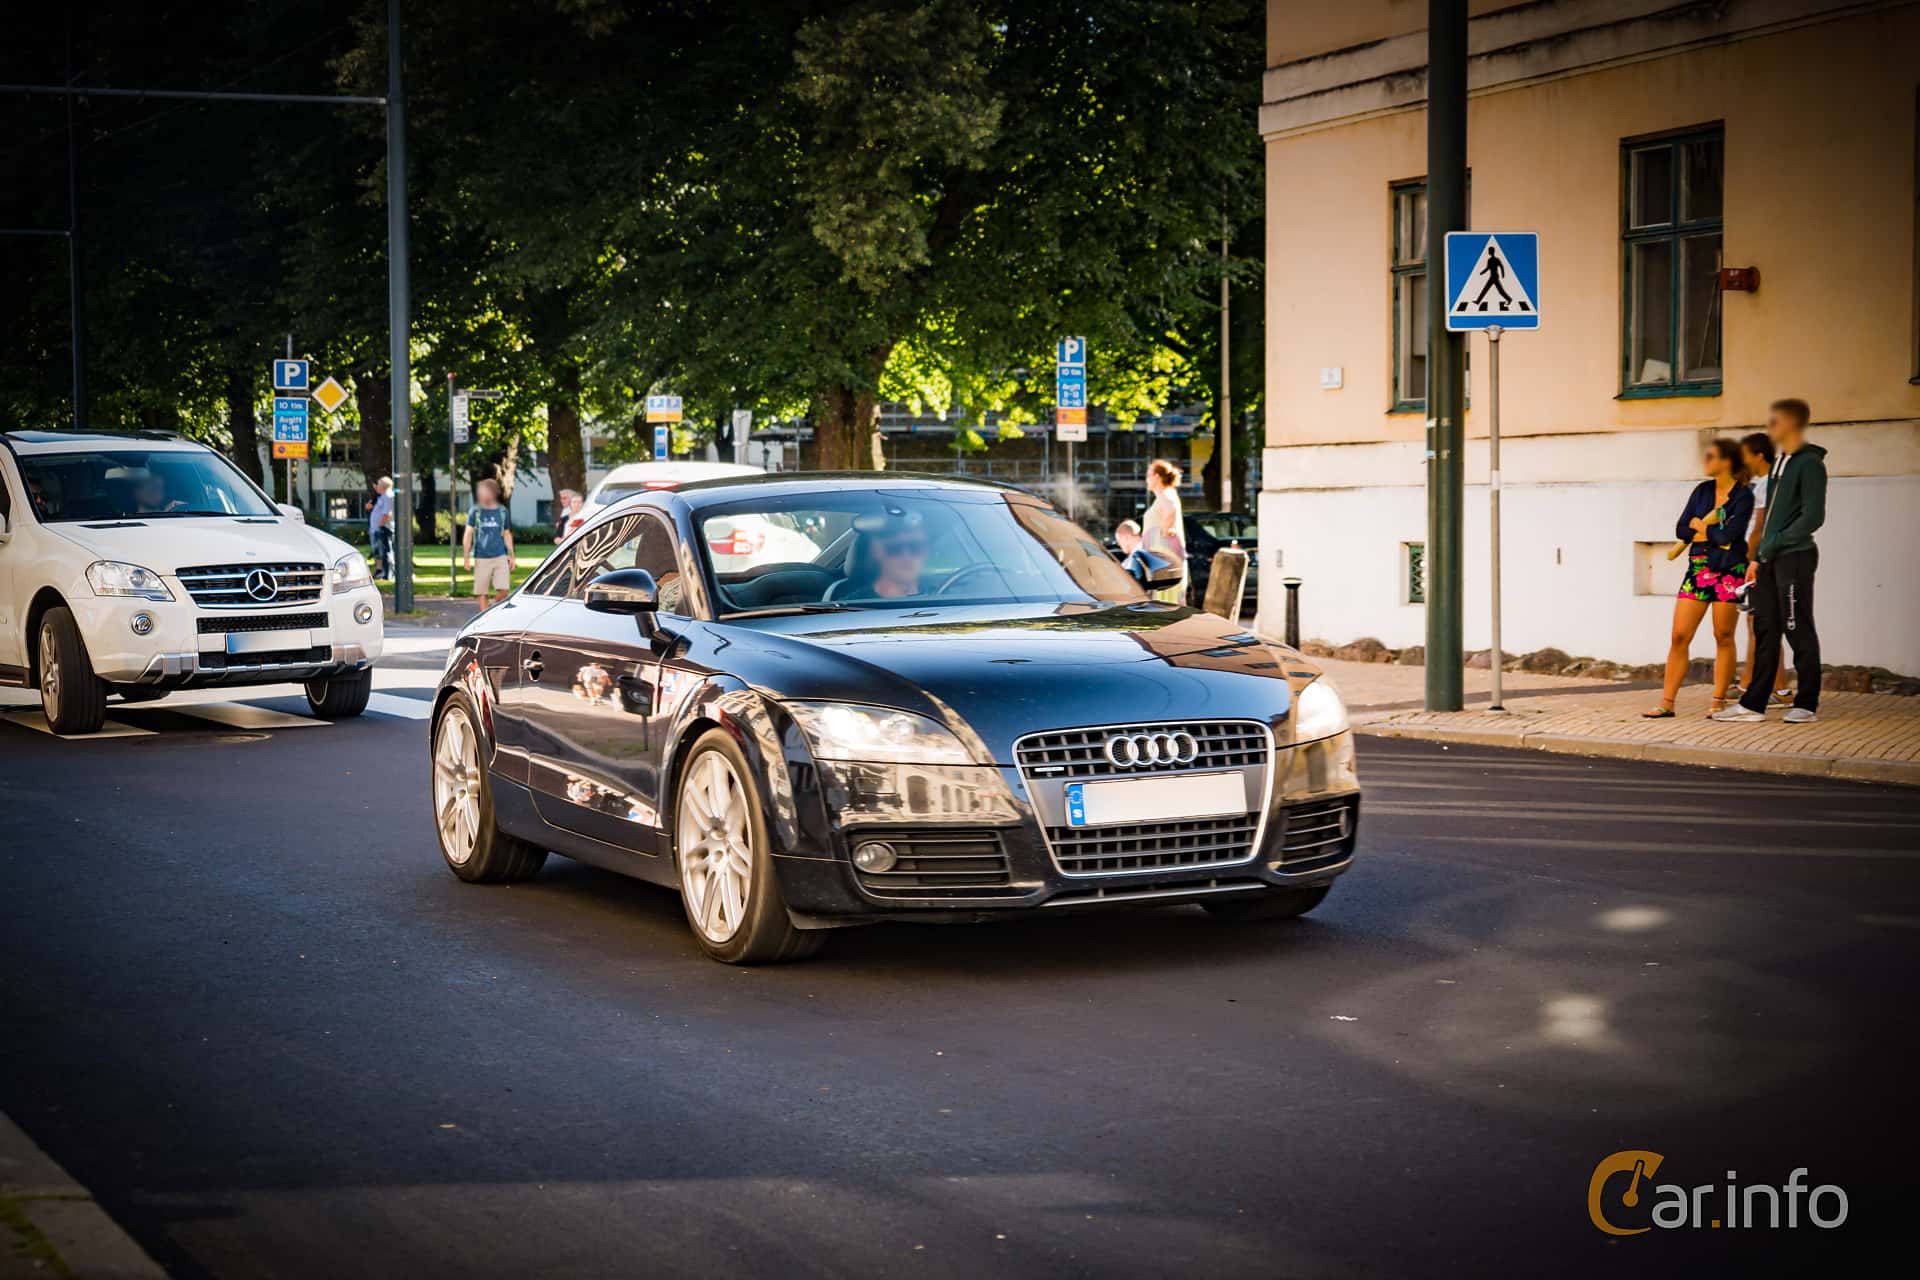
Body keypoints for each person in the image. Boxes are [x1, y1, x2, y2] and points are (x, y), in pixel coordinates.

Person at [1713, 399, 1826, 724]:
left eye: (1776, 421)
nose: (1771, 427)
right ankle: (1752, 705)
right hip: (1770, 559)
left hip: (1795, 557)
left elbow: (1812, 516)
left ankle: (1806, 704)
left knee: (1796, 626)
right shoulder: (1780, 465)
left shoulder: (1809, 464)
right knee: (1765, 629)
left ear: (1793, 424)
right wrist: (1759, 556)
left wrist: (1774, 544)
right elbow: (1771, 517)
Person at [1643, 439, 1752, 718]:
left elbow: (1730, 536)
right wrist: (1707, 530)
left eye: (1711, 456)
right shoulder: (1702, 491)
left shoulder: (1743, 496)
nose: (1705, 461)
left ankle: (1718, 701)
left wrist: (1702, 527)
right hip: (1699, 567)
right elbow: (1682, 529)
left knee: (1723, 635)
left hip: (1730, 570)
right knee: (1679, 635)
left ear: (1726, 460)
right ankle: (1667, 703)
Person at [1731, 432, 1792, 707]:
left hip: (1760, 561)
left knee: (1760, 622)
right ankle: (1776, 688)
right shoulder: (1765, 484)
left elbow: (1759, 527)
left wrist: (1751, 560)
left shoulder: (1768, 485)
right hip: (1765, 559)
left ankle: (1765, 687)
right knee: (1761, 623)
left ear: (1758, 455)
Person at [463, 478, 516, 611]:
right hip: (481, 556)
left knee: (504, 590)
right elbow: (468, 533)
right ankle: (483, 619)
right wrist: (466, 558)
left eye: (483, 491)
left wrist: (512, 555)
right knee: (482, 592)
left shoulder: (503, 511)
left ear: (493, 493)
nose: (480, 494)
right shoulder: (475, 511)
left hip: (500, 555)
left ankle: (492, 609)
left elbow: (507, 533)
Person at [1141, 459, 1188, 604]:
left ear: (1156, 477)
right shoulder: (1165, 495)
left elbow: (1171, 508)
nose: (1146, 479)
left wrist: (1167, 529)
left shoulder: (1166, 495)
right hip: (1163, 564)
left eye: (1148, 475)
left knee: (1166, 606)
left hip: (1166, 564)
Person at [367, 477, 395, 580]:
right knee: (380, 552)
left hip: (383, 529)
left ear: (383, 486)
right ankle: (383, 573)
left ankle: (387, 575)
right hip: (379, 529)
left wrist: (380, 526)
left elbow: (387, 514)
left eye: (378, 484)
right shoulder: (382, 496)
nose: (376, 486)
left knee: (385, 552)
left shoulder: (387, 496)